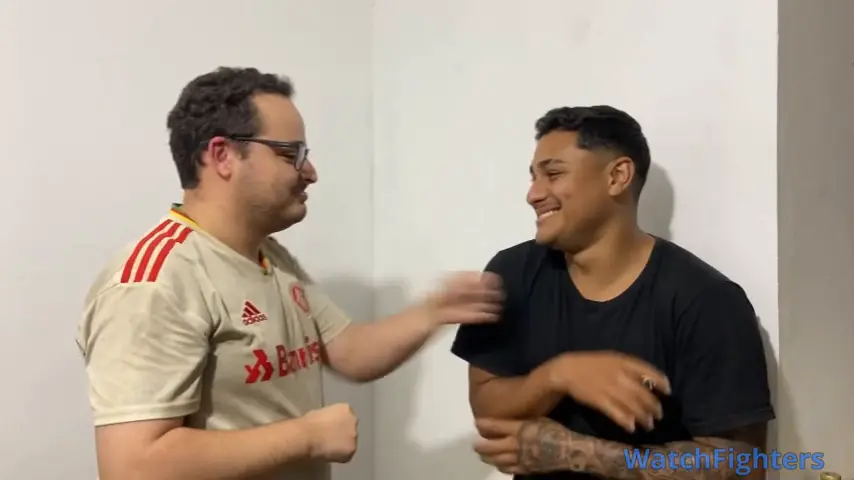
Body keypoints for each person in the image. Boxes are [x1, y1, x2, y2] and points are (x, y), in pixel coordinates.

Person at [76, 67, 502, 480]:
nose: (310, 172)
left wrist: (434, 311)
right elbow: (132, 467)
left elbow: (349, 351)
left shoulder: (270, 256)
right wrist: (307, 437)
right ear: (222, 155)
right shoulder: (154, 283)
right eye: (290, 153)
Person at [451, 106, 775, 479]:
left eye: (553, 174)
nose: (533, 194)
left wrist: (581, 453)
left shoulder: (706, 301)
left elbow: (744, 466)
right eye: (533, 177)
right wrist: (557, 376)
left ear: (617, 176)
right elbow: (488, 412)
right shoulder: (513, 274)